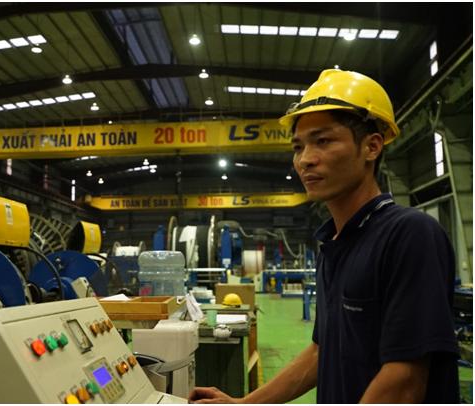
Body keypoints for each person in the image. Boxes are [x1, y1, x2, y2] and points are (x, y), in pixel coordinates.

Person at [188, 69, 459, 403]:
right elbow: (321, 352)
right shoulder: (334, 244)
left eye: (323, 141)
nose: (305, 160)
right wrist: (246, 403)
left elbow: (403, 381)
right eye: (298, 146)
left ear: (372, 146)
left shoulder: (409, 234)